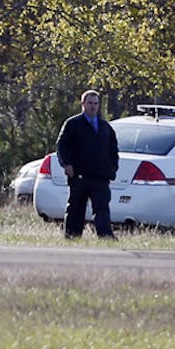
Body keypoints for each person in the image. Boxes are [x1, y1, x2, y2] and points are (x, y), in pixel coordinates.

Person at [54, 90, 120, 240]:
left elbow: (113, 150)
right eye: (90, 103)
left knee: (102, 209)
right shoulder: (73, 124)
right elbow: (62, 146)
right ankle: (72, 236)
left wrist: (112, 169)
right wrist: (67, 164)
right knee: (76, 208)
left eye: (96, 103)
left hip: (100, 177)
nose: (93, 107)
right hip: (79, 176)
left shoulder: (105, 127)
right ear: (83, 104)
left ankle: (106, 237)